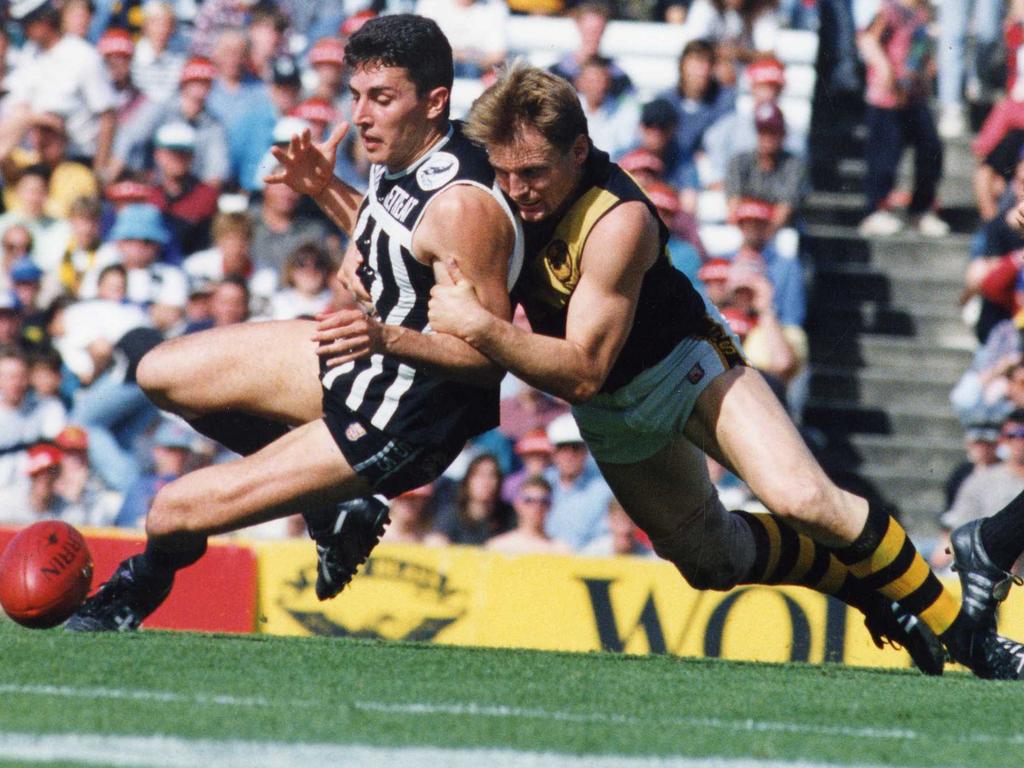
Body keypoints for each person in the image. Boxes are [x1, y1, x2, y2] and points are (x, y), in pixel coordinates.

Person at [424, 61, 1024, 679]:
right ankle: (868, 591)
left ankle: (969, 638)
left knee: (805, 499)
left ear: (579, 150)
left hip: (684, 363)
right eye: (505, 173)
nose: (517, 191)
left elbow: (581, 370)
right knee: (713, 563)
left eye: (533, 174)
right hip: (609, 408)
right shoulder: (490, 191)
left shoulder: (618, 218)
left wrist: (484, 327)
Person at [65, 15, 522, 632]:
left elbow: (491, 357)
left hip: (403, 416)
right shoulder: (405, 143)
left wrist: (386, 335)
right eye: (357, 96)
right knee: (159, 372)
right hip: (367, 360)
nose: (360, 115)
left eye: (380, 99)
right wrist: (324, 187)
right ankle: (337, 507)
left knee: (171, 511)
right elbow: (397, 232)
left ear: (435, 101)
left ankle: (134, 592)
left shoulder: (463, 205)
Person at [431, 453, 514, 545]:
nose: (486, 482)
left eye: (492, 475)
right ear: (468, 481)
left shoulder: (509, 516)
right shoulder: (450, 517)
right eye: (480, 475)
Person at [486, 475, 570, 555]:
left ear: (550, 506)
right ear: (517, 504)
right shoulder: (498, 548)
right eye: (529, 500)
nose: (536, 507)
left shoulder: (561, 551)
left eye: (543, 501)